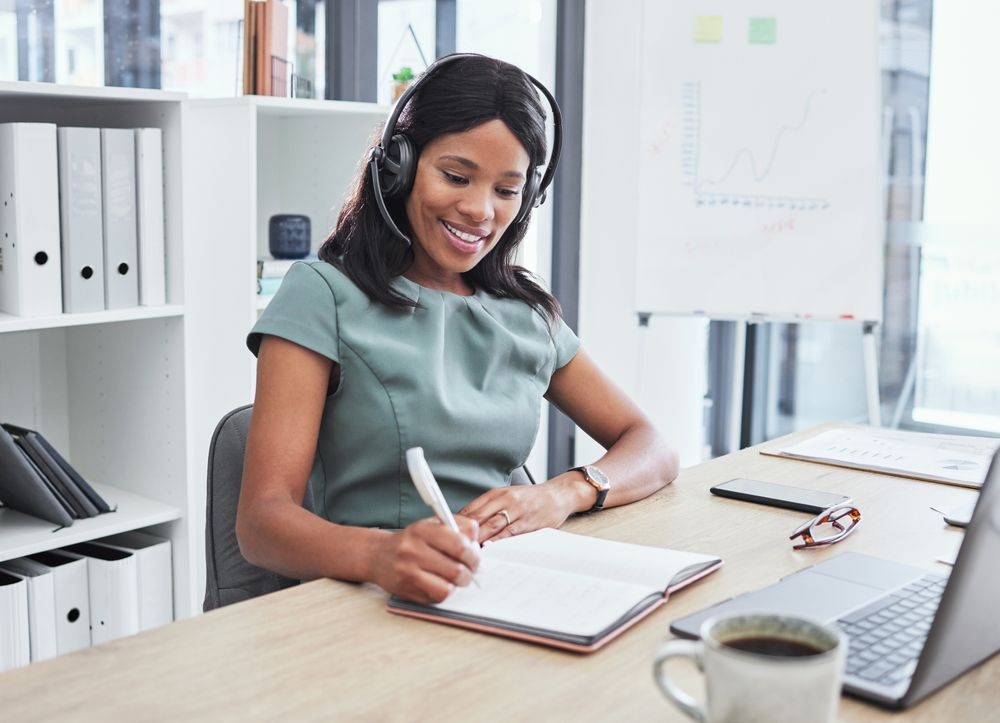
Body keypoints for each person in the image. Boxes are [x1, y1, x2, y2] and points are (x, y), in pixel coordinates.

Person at [236, 53, 678, 605]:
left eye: (507, 189)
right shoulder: (323, 294)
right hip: (370, 598)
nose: (480, 210)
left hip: (509, 587)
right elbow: (261, 523)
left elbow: (653, 447)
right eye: (456, 176)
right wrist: (379, 554)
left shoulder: (525, 314)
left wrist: (565, 493)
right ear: (396, 165)